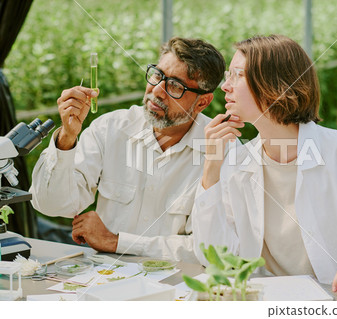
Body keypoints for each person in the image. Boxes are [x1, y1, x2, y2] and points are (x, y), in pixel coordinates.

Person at [192, 35, 337, 297]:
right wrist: (211, 167)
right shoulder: (238, 163)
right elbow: (213, 255)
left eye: (237, 75)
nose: (226, 86)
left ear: (274, 85)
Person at [30, 37, 226, 263]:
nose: (158, 91)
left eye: (175, 86)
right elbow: (51, 204)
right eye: (157, 75)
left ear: (203, 102)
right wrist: (67, 137)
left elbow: (209, 249)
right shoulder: (111, 128)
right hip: (105, 279)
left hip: (177, 289)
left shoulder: (221, 150)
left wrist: (116, 242)